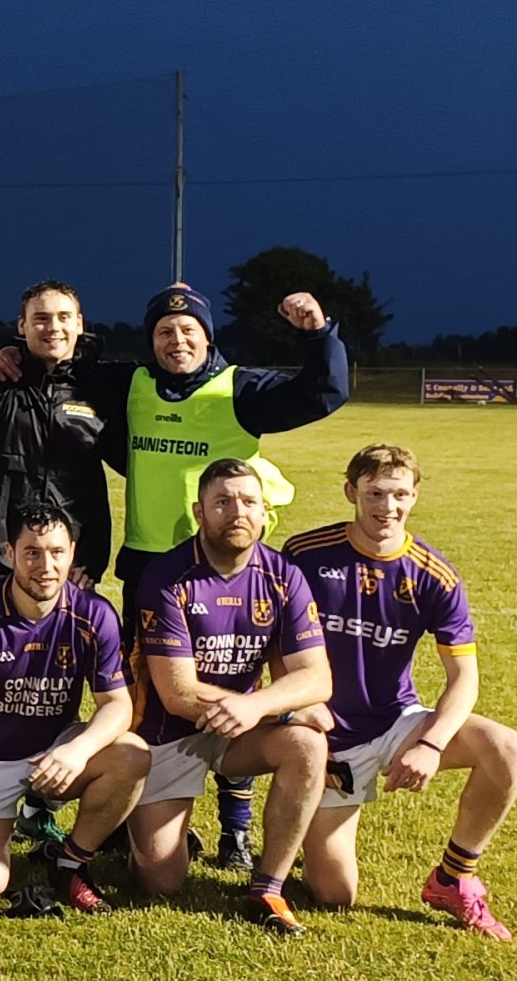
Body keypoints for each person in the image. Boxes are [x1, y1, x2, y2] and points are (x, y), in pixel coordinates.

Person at [104, 280, 351, 872]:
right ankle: (135, 812)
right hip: (152, 565)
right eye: (164, 331)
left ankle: (235, 830)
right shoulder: (132, 386)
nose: (177, 340)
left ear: (208, 336)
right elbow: (64, 373)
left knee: (238, 682)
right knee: (146, 700)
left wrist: (318, 335)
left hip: (226, 567)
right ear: (150, 341)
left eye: (189, 330)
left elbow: (323, 392)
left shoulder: (238, 388)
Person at [284, 444, 517, 940]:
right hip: (327, 733)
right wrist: (301, 712)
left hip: (396, 722)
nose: (386, 506)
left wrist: (431, 744)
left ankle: (454, 878)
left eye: (398, 494)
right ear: (351, 492)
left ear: (415, 496)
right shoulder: (306, 555)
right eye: (374, 493)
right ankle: (308, 831)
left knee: (504, 746)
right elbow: (271, 639)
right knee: (334, 894)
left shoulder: (434, 575)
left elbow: (464, 678)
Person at [127, 459, 333, 938]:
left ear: (263, 513)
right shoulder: (167, 576)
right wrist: (273, 704)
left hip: (242, 726)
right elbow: (178, 694)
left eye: (248, 502)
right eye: (222, 502)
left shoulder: (284, 575)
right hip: (169, 732)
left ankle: (268, 887)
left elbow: (317, 677)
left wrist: (258, 705)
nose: (237, 512)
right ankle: (135, 826)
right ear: (199, 512)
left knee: (308, 745)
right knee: (160, 881)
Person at [0, 505, 147, 915]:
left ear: (72, 553)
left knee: (132, 754)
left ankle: (70, 861)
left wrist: (77, 751)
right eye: (32, 553)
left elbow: (118, 705)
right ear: (9, 552)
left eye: (56, 552)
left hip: (55, 752)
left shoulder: (94, 613)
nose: (45, 566)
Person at [0, 280, 113, 593]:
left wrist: (91, 559)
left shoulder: (103, 388)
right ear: (22, 325)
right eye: (41, 318)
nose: (53, 327)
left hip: (67, 568)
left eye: (64, 317)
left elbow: (135, 465)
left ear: (79, 324)